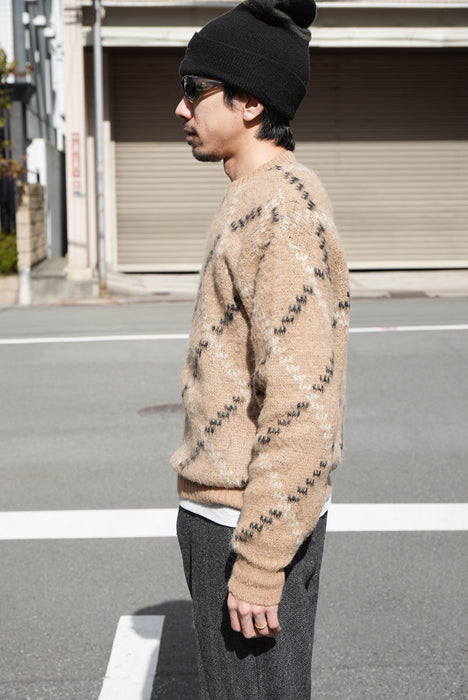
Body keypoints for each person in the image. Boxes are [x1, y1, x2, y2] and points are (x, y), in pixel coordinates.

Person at [171, 1, 350, 697]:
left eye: (195, 89)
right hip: (230, 511)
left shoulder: (280, 208)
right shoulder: (257, 196)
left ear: (250, 103)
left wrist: (259, 561)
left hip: (243, 519)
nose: (181, 108)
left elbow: (305, 404)